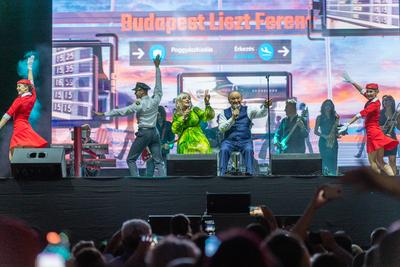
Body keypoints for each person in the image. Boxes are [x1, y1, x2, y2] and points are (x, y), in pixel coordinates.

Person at [95, 55, 165, 177]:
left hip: (144, 133)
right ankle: (164, 181)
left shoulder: (139, 104)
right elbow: (158, 86)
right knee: (158, 161)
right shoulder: (155, 100)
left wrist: (104, 113)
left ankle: (136, 182)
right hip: (154, 133)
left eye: (137, 90)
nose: (135, 92)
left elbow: (122, 111)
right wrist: (157, 67)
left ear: (142, 91)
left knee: (131, 159)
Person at [339, 73, 398, 175]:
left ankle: (381, 183)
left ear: (377, 92)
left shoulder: (374, 104)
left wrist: (347, 124)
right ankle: (392, 181)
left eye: (371, 92)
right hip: (377, 133)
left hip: (373, 134)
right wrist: (352, 82)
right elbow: (362, 91)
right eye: (368, 91)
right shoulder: (374, 100)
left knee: (373, 162)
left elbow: (360, 114)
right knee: (380, 162)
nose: (369, 93)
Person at [0, 55, 47, 160]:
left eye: (19, 86)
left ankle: (16, 171)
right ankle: (24, 171)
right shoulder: (32, 96)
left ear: (26, 88)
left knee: (13, 151)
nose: (17, 88)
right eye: (17, 86)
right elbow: (31, 81)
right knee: (24, 149)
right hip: (25, 125)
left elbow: (7, 115)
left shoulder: (19, 100)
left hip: (19, 127)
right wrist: (29, 67)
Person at [218, 91, 272, 176]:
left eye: (238, 98)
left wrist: (265, 107)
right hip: (229, 141)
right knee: (224, 149)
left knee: (249, 150)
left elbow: (261, 114)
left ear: (241, 99)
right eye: (233, 98)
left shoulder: (248, 110)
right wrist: (232, 118)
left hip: (245, 140)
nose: (236, 100)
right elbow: (221, 128)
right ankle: (221, 174)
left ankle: (250, 174)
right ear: (229, 100)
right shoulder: (223, 113)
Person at [146, 106, 175, 176]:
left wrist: (169, 146)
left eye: (159, 114)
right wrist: (148, 150)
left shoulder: (168, 125)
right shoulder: (151, 125)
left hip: (164, 153)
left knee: (164, 173)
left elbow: (172, 141)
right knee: (149, 173)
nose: (158, 116)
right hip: (152, 153)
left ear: (163, 114)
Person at [314, 99, 339, 176]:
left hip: (333, 141)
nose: (328, 107)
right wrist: (325, 136)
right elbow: (315, 131)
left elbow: (336, 130)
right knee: (324, 160)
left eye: (329, 105)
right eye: (326, 105)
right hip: (323, 141)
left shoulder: (335, 117)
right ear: (323, 106)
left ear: (332, 107)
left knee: (333, 160)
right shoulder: (319, 117)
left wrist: (339, 134)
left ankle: (334, 178)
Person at [380, 95, 399, 175]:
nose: (385, 102)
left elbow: (399, 127)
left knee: (392, 160)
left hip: (392, 139)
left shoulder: (396, 113)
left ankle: (394, 182)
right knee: (380, 161)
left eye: (388, 100)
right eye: (384, 101)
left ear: (392, 102)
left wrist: (397, 123)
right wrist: (383, 127)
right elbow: (374, 126)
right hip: (380, 139)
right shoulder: (379, 113)